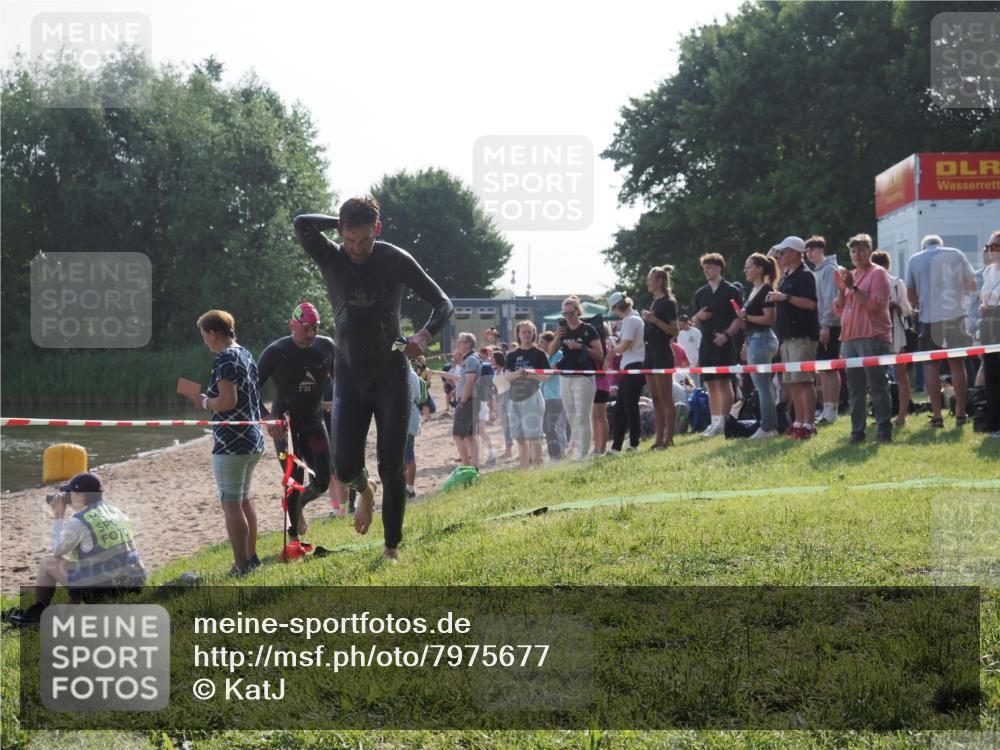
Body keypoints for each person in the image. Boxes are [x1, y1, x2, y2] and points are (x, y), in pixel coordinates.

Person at [294, 198, 453, 560]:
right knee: (345, 466)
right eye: (350, 240)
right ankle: (365, 491)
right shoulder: (331, 256)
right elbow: (302, 222)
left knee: (391, 464)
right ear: (341, 232)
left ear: (376, 230)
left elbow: (442, 302)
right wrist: (340, 221)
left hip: (391, 374)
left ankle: (390, 548)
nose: (356, 249)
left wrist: (424, 336)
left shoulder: (394, 259)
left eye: (364, 241)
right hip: (350, 375)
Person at [8, 472, 146, 627]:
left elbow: (57, 550)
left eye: (70, 492)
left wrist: (59, 515)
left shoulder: (81, 520)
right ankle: (62, 614)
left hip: (107, 591)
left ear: (81, 496)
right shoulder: (115, 511)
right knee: (86, 566)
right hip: (135, 584)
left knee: (48, 562)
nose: (67, 496)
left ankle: (38, 613)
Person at [257, 302, 339, 559]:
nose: (311, 334)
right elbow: (249, 389)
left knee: (323, 481)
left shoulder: (326, 346)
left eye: (315, 328)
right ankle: (293, 540)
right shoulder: (276, 351)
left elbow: (343, 380)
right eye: (306, 328)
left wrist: (342, 404)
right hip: (285, 427)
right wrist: (267, 418)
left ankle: (301, 505)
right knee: (294, 482)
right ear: (293, 325)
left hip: (314, 424)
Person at [191, 309, 265, 576]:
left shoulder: (224, 358)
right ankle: (251, 557)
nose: (205, 341)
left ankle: (240, 565)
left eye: (204, 336)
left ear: (212, 333)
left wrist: (203, 402)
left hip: (231, 443)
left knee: (231, 503)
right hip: (253, 438)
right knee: (244, 500)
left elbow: (227, 401)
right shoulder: (245, 354)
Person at [905, 234, 978, 428]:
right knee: (957, 364)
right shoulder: (956, 254)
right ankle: (961, 413)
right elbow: (971, 284)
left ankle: (937, 416)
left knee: (931, 366)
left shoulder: (915, 259)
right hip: (955, 315)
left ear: (924, 246)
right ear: (940, 244)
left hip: (929, 318)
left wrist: (918, 307)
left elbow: (910, 294)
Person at [832, 234, 893, 444]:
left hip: (872, 336)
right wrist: (842, 290)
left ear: (870, 251)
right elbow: (839, 308)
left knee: (877, 385)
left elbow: (874, 305)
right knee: (855, 388)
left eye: (861, 250)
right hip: (849, 337)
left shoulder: (878, 274)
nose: (856, 255)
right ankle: (857, 431)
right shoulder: (850, 274)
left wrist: (853, 288)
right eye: (853, 251)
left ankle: (884, 430)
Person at [767, 237, 820, 439]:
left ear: (796, 253)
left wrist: (786, 297)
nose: (780, 255)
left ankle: (808, 423)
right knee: (793, 382)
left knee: (804, 380)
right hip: (788, 337)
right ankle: (798, 421)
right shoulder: (787, 276)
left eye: (784, 251)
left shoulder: (805, 276)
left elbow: (810, 304)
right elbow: (770, 260)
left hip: (802, 335)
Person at [692, 254, 743, 437]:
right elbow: (693, 320)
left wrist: (727, 335)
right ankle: (714, 422)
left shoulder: (731, 291)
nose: (707, 271)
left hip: (725, 343)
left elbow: (739, 318)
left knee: (724, 382)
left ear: (719, 268)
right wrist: (699, 316)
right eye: (704, 268)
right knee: (710, 384)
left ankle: (724, 420)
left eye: (710, 267)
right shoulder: (700, 293)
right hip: (706, 345)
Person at [547, 296, 603, 458]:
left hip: (583, 376)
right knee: (572, 416)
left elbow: (599, 354)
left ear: (578, 312)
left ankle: (583, 453)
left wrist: (581, 347)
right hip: (565, 376)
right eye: (564, 315)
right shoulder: (563, 332)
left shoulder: (588, 329)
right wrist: (558, 336)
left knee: (582, 416)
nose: (567, 317)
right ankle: (579, 450)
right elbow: (550, 353)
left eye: (570, 313)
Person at [737, 253, 780, 439]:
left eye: (749, 266)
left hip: (762, 339)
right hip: (754, 339)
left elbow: (769, 318)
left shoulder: (766, 290)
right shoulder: (753, 291)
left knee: (763, 386)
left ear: (759, 269)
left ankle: (768, 427)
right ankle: (770, 426)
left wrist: (747, 317)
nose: (745, 269)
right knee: (764, 386)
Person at [871, 250, 915, 427]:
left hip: (896, 333)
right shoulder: (868, 282)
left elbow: (907, 309)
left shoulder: (897, 283)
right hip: (875, 333)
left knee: (900, 374)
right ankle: (881, 415)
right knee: (876, 377)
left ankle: (902, 414)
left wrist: (896, 306)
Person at [805, 236, 843, 425]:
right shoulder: (816, 272)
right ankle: (827, 407)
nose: (809, 254)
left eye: (812, 249)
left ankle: (832, 408)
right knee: (823, 368)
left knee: (830, 368)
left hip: (831, 325)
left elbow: (830, 299)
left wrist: (826, 325)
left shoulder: (829, 270)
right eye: (807, 251)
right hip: (820, 324)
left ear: (821, 250)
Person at [503, 320, 551, 468]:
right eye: (524, 332)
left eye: (530, 332)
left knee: (533, 436)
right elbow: (506, 376)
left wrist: (530, 375)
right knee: (519, 436)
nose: (527, 335)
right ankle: (524, 469)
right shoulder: (512, 355)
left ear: (534, 334)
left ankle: (537, 467)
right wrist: (518, 373)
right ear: (518, 334)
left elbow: (546, 377)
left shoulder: (539, 354)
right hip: (514, 397)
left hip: (532, 396)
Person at [643, 266, 680, 448]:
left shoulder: (668, 302)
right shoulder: (654, 302)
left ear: (659, 281)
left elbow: (674, 330)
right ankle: (658, 439)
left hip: (662, 353)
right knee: (655, 398)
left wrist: (654, 320)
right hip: (650, 353)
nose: (648, 283)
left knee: (666, 398)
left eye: (650, 279)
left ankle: (669, 438)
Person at [608, 291, 646, 452]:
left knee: (630, 407)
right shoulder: (630, 320)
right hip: (630, 366)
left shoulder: (631, 320)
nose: (615, 313)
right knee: (622, 408)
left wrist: (612, 349)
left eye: (615, 309)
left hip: (634, 366)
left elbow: (624, 346)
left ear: (618, 307)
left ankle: (634, 444)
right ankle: (617, 446)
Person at [447, 332, 482, 469]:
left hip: (468, 401)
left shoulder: (471, 360)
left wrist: (461, 402)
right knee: (470, 436)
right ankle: (474, 467)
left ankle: (466, 468)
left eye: (460, 342)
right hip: (472, 400)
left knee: (457, 435)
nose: (458, 344)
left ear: (468, 344)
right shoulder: (470, 359)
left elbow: (470, 382)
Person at [979, 231, 1000, 438]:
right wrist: (984, 308)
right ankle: (994, 422)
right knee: (990, 374)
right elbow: (986, 298)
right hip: (989, 325)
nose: (991, 250)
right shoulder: (988, 271)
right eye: (989, 246)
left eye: (995, 246)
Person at [539, 331, 569, 461]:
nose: (539, 344)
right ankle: (555, 455)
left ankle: (560, 454)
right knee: (548, 427)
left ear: (550, 343)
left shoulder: (558, 355)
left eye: (541, 342)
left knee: (556, 427)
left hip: (556, 395)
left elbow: (547, 375)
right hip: (545, 395)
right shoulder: (545, 357)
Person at [405, 360, 423, 498]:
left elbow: (413, 398)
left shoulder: (410, 375)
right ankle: (405, 487)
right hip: (401, 418)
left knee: (408, 455)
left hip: (408, 418)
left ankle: (410, 489)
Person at [676, 314, 702, 389]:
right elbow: (680, 349)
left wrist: (698, 362)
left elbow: (699, 348)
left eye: (683, 324)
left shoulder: (696, 332)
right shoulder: (680, 334)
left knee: (696, 385)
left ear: (687, 322)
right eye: (680, 325)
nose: (682, 327)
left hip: (695, 363)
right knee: (686, 385)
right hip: (684, 364)